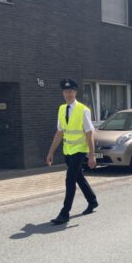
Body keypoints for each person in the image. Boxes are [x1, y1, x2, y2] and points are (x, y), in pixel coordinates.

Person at [46, 79, 98, 225]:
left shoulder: (83, 110)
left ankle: (64, 213)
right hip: (68, 151)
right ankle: (92, 200)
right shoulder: (61, 109)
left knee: (70, 180)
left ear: (75, 92)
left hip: (80, 151)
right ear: (63, 93)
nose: (68, 94)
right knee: (78, 177)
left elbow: (89, 133)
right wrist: (51, 152)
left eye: (70, 91)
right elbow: (59, 132)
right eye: (65, 91)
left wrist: (92, 155)